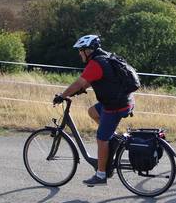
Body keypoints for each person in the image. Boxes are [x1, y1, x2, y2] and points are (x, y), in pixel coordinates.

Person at [53, 35, 134, 185]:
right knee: (92, 112)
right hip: (124, 101)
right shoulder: (106, 57)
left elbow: (79, 83)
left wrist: (62, 96)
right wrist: (81, 89)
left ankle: (101, 175)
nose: (79, 54)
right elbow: (96, 80)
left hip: (114, 106)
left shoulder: (95, 64)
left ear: (88, 51)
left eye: (80, 51)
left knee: (101, 138)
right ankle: (113, 138)